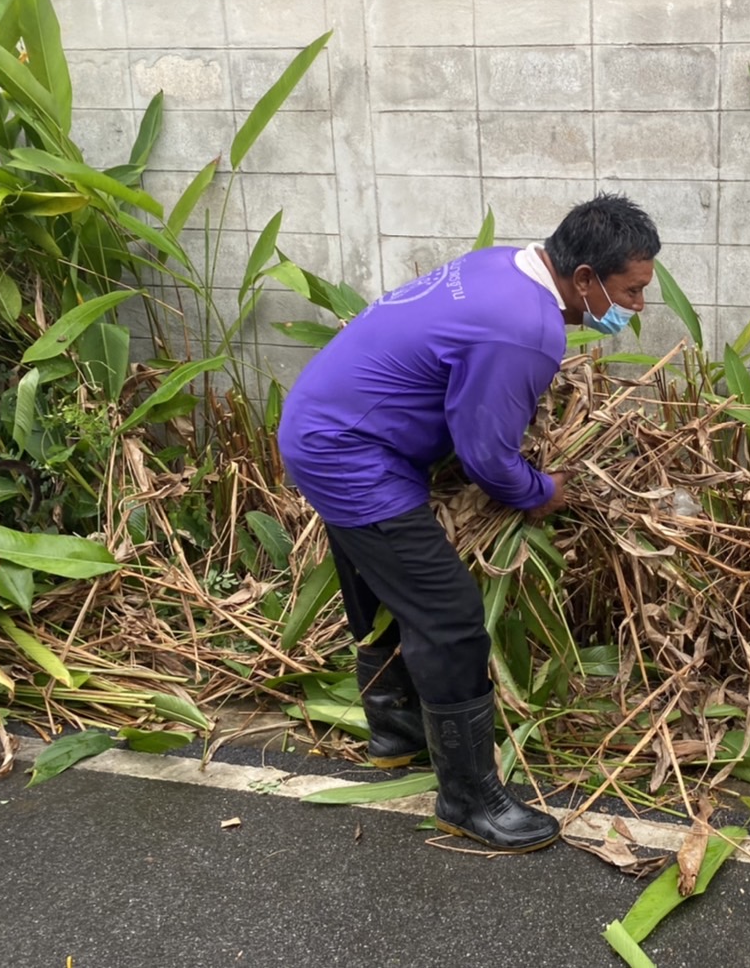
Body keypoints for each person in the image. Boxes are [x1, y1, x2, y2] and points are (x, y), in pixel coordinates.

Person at [278, 192, 660, 854]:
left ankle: (396, 736)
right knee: (450, 616)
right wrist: (538, 490)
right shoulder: (525, 328)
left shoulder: (504, 265)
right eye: (631, 291)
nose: (638, 307)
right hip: (350, 451)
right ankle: (468, 798)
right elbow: (486, 453)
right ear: (586, 280)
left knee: (381, 582)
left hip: (326, 423)